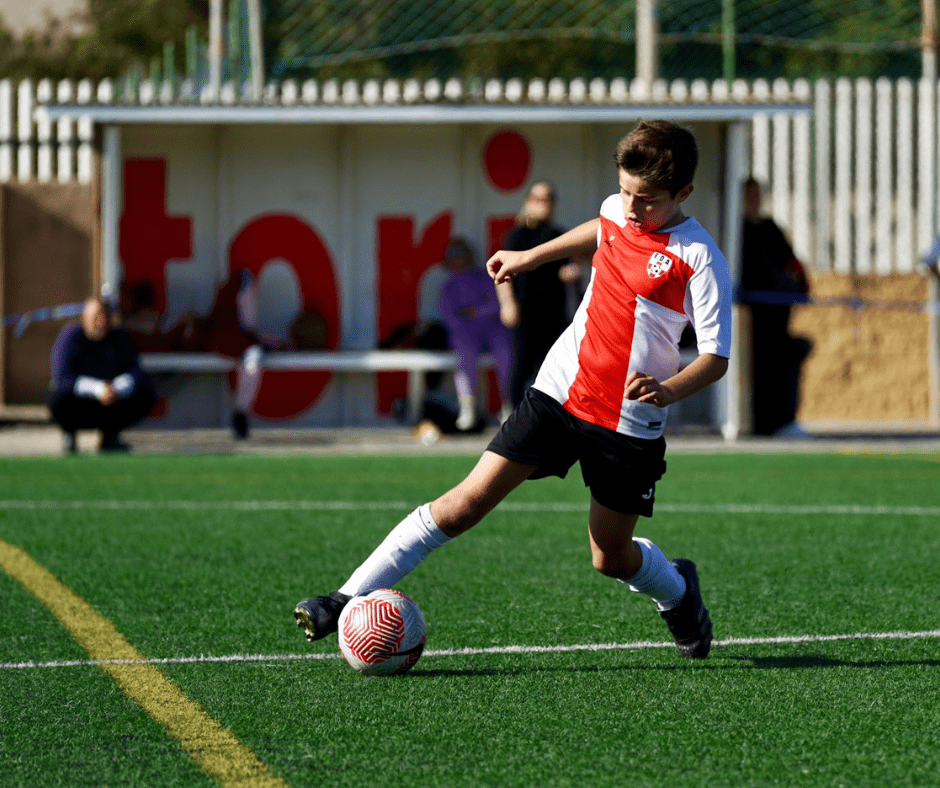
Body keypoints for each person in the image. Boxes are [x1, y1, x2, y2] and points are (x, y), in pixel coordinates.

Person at [294, 120, 732, 660]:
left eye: (648, 200)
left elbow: (715, 358)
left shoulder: (700, 256)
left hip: (627, 423)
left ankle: (679, 592)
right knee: (463, 504)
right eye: (625, 191)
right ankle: (343, 598)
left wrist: (667, 390)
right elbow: (600, 225)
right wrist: (530, 257)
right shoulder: (618, 209)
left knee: (610, 558)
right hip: (559, 391)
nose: (632, 208)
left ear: (684, 193)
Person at [740, 177, 812, 437]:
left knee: (782, 365)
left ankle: (782, 422)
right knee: (755, 370)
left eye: (757, 194)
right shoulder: (737, 229)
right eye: (749, 194)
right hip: (749, 317)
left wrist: (801, 286)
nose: (754, 199)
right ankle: (758, 424)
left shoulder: (770, 228)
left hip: (777, 315)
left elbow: (792, 264)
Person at [502, 181, 584, 407]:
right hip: (525, 311)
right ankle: (513, 413)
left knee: (549, 366)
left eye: (547, 199)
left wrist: (571, 274)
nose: (542, 204)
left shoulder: (559, 235)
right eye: (537, 199)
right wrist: (507, 303)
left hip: (553, 312)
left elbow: (568, 270)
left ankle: (545, 415)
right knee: (521, 365)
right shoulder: (517, 236)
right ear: (528, 202)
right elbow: (502, 273)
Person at [49, 297, 157, 454]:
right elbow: (62, 376)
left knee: (145, 393)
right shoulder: (71, 337)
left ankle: (110, 436)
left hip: (112, 400)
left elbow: (136, 371)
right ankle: (70, 435)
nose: (101, 322)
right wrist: (98, 389)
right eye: (96, 317)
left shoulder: (119, 337)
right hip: (81, 402)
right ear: (84, 319)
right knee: (57, 396)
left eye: (104, 316)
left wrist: (116, 389)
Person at [438, 237, 516, 431]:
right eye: (453, 255)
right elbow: (451, 317)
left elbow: (496, 303)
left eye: (461, 254)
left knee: (506, 353)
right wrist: (470, 317)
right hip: (467, 333)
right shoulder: (448, 286)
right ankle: (468, 407)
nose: (458, 259)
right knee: (465, 356)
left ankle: (510, 405)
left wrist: (475, 312)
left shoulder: (483, 277)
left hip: (493, 329)